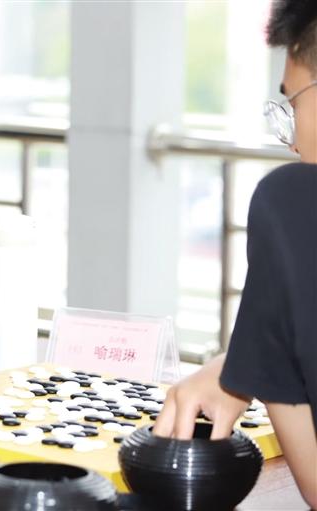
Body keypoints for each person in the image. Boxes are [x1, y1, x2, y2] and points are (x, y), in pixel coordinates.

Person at [154, 1, 317, 507]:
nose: (292, 143)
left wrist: (252, 366)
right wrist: (243, 363)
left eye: (292, 105)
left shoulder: (291, 202)